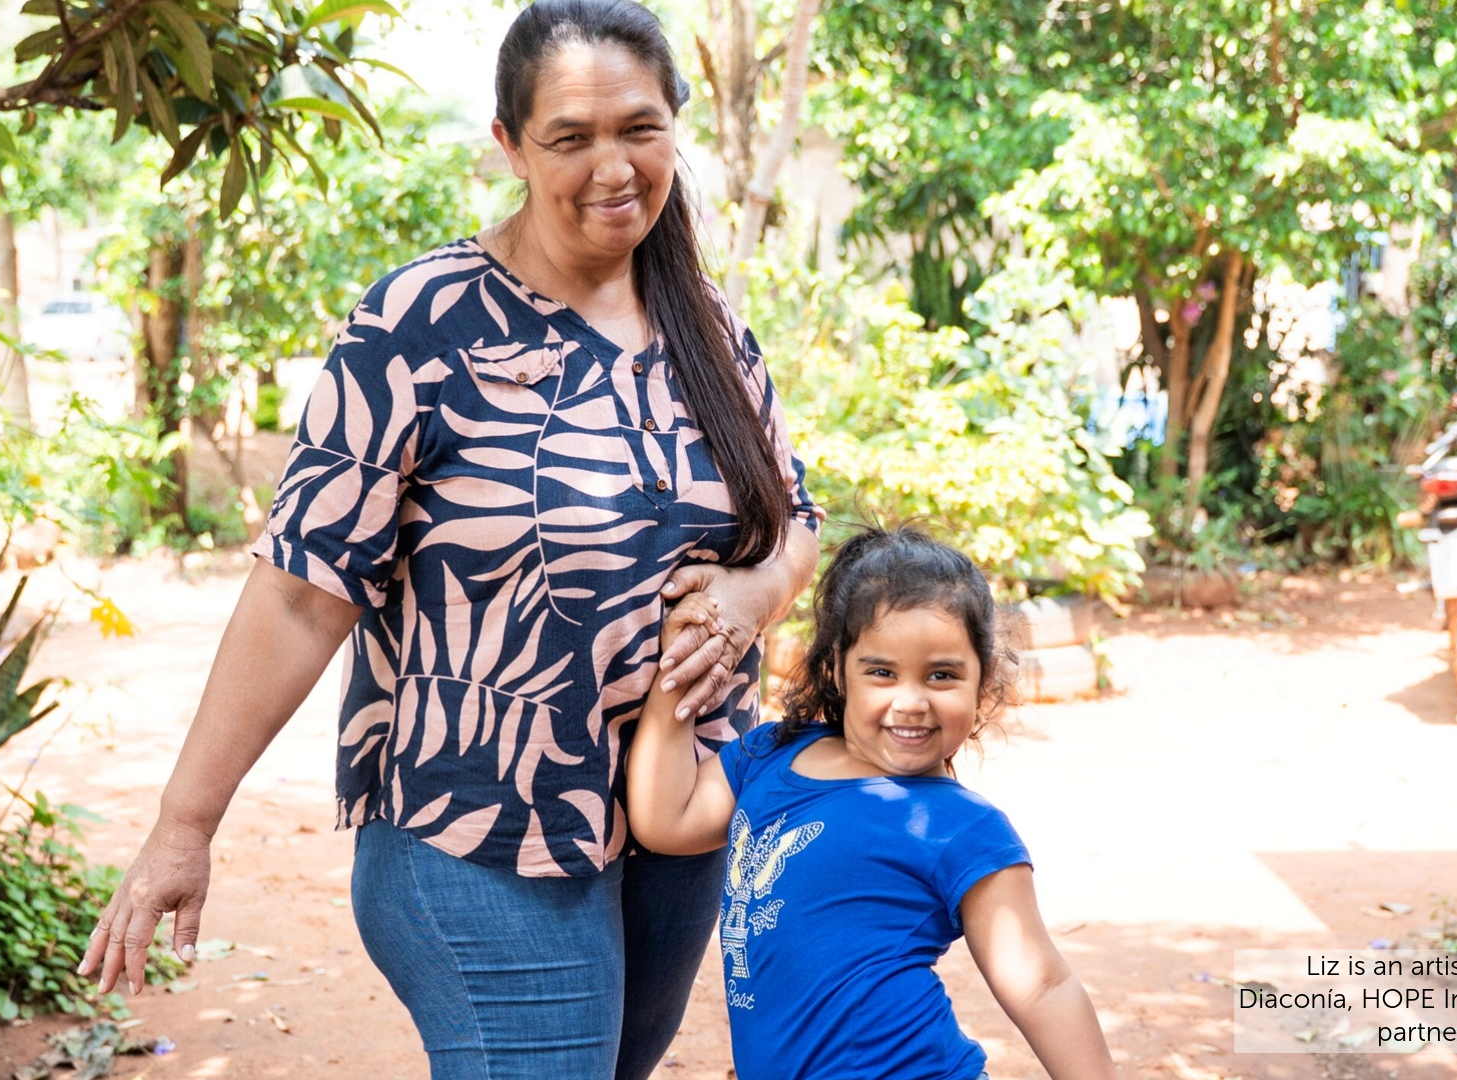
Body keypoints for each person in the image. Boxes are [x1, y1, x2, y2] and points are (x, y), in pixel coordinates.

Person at [76, 2, 822, 1078]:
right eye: (570, 136)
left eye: (640, 128)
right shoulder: (421, 325)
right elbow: (302, 591)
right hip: (481, 829)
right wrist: (184, 825)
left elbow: (793, 518)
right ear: (509, 144)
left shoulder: (702, 317)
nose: (612, 166)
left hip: (677, 816)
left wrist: (755, 599)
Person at [627, 527, 1117, 1080]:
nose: (910, 701)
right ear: (838, 669)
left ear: (982, 682)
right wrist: (680, 671)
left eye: (943, 675)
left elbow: (1042, 984)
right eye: (882, 672)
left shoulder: (965, 830)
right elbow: (664, 820)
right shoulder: (771, 756)